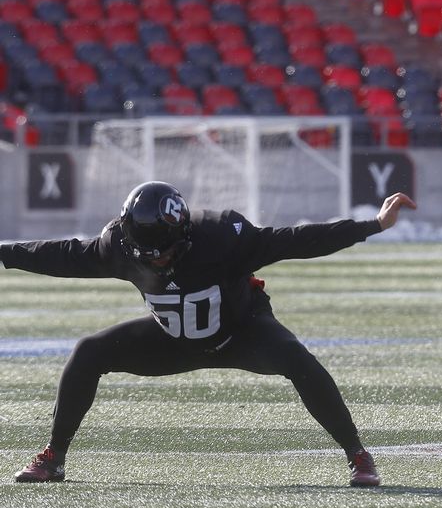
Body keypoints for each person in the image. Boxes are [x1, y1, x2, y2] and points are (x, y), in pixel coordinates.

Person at [2, 181, 416, 486]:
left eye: (164, 252)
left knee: (298, 360)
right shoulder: (119, 245)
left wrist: (373, 225)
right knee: (89, 352)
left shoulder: (221, 236)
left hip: (241, 332)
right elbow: (62, 254)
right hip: (174, 339)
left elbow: (295, 241)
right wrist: (5, 252)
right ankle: (54, 457)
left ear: (183, 236)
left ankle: (358, 455)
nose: (158, 261)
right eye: (149, 254)